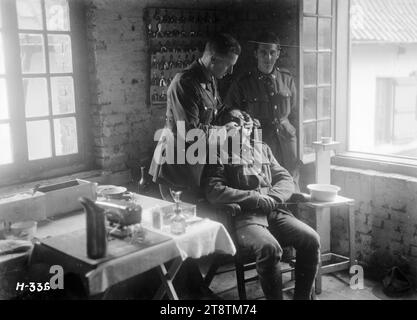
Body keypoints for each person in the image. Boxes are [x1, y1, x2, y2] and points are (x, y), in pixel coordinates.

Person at [148, 33, 242, 299]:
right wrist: (223, 131)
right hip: (175, 167)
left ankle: (189, 290)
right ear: (213, 59)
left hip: (193, 166)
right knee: (180, 232)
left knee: (185, 230)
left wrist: (231, 114)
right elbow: (190, 130)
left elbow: (216, 109)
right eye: (228, 64)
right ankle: (187, 293)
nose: (231, 70)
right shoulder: (184, 83)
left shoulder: (210, 79)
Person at [201, 109, 320, 300]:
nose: (242, 126)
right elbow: (214, 190)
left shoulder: (262, 148)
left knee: (311, 239)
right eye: (235, 122)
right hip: (246, 218)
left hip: (275, 212)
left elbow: (285, 178)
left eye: (245, 121)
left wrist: (273, 197)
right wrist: (254, 198)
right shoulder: (218, 152)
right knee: (269, 249)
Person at [225, 31, 302, 190]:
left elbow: (295, 112)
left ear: (278, 54)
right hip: (259, 141)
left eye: (272, 53)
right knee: (266, 184)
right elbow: (230, 111)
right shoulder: (243, 82)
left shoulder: (287, 79)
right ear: (256, 54)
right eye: (263, 52)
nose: (268, 58)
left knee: (291, 184)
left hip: (287, 142)